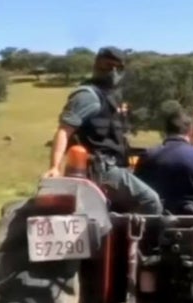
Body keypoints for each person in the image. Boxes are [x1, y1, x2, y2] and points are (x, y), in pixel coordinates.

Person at [41, 46, 162, 215]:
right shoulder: (87, 96)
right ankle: (145, 241)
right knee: (150, 201)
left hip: (114, 166)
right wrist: (54, 166)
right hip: (100, 169)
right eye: (106, 67)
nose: (112, 72)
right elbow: (64, 130)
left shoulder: (110, 97)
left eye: (117, 67)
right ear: (96, 66)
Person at [134, 110, 193, 215]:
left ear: (166, 131)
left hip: (155, 222)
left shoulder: (147, 156)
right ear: (190, 132)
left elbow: (135, 192)